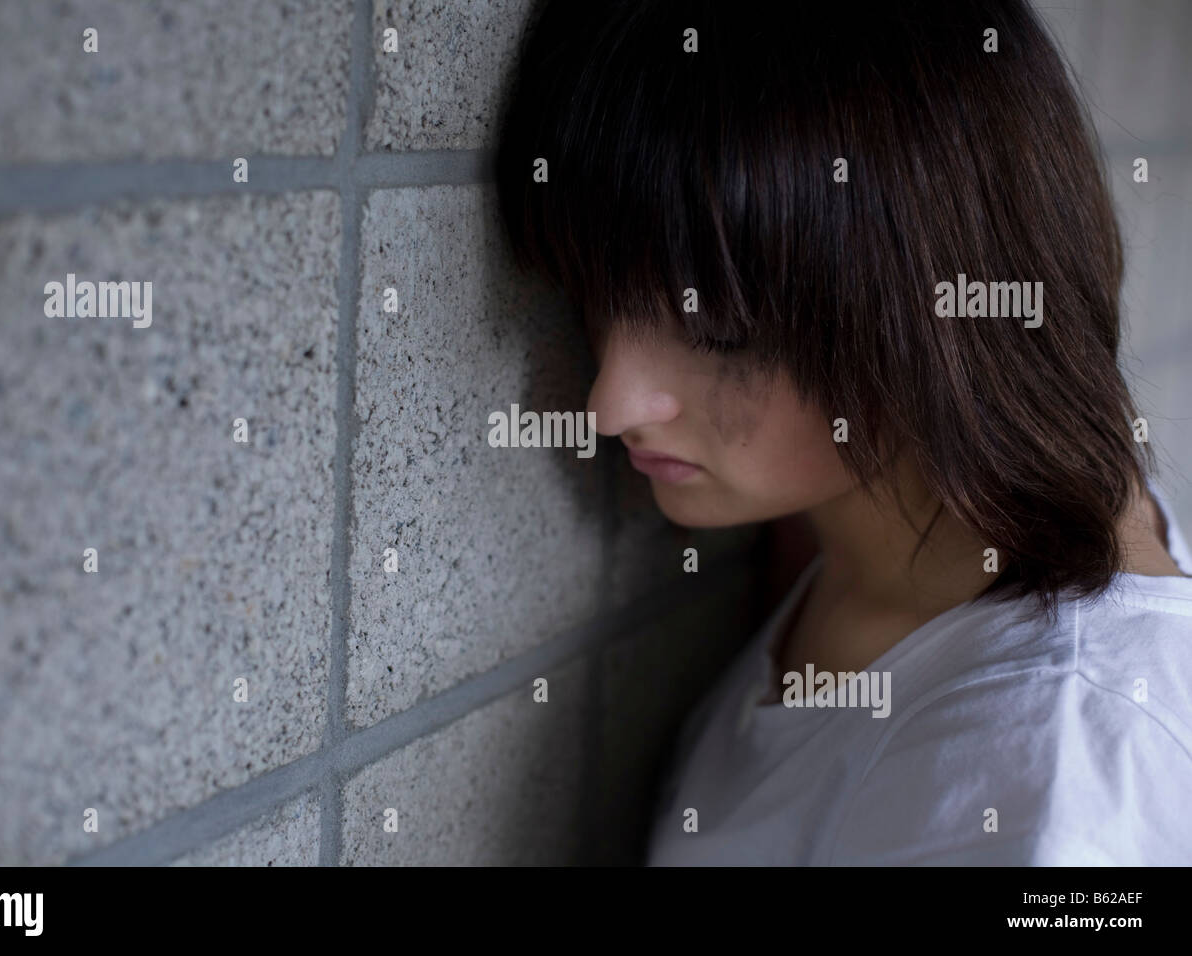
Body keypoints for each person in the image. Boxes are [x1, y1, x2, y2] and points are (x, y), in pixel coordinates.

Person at [495, 0, 1192, 864]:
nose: (609, 405)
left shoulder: (1045, 785)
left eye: (718, 333)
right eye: (596, 297)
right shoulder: (903, 518)